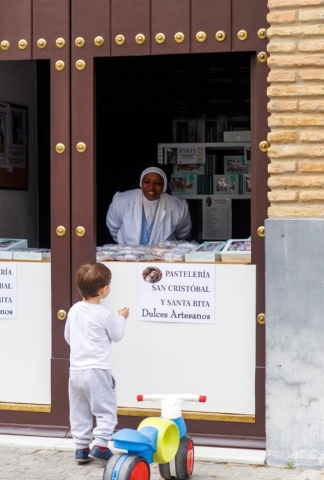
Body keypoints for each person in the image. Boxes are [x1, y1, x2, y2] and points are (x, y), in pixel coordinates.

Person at [64, 262, 129, 464]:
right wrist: (122, 318)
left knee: (79, 410)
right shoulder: (104, 314)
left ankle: (81, 448)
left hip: (75, 371)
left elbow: (67, 336)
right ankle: (100, 445)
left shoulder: (74, 310)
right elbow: (117, 336)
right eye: (109, 285)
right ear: (103, 290)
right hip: (98, 370)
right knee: (105, 409)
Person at [106, 166, 191, 245]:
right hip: (128, 257)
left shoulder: (178, 206)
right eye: (147, 182)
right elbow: (114, 228)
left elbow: (182, 234)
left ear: (164, 186)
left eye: (157, 183)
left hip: (162, 258)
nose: (151, 187)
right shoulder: (122, 200)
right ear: (141, 183)